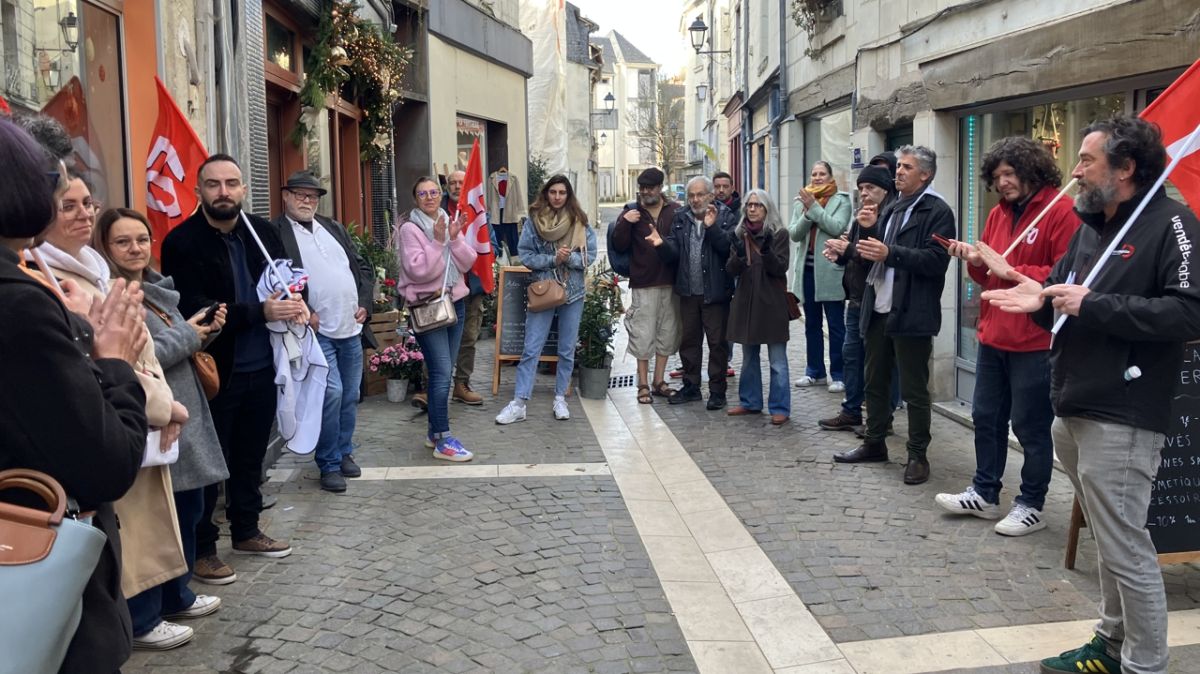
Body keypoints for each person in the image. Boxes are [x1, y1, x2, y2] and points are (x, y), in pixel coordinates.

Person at [983, 117, 1200, 674]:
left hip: (1123, 415)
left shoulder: (1172, 222)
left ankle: (1144, 665)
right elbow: (1059, 287)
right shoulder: (1090, 225)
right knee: (1111, 540)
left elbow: (1189, 311)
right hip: (1074, 404)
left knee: (1127, 549)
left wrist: (1091, 305)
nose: (1074, 170)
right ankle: (1108, 644)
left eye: (1087, 159)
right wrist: (1037, 294)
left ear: (1126, 169)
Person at [0, 118, 148, 674]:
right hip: (32, 576)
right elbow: (106, 462)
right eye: (60, 188)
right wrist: (112, 360)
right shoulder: (19, 303)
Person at [95, 207, 232, 649]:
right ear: (105, 247)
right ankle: (146, 615)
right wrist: (192, 334)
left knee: (188, 511)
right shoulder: (114, 294)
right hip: (151, 418)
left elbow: (167, 345)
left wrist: (202, 331)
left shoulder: (152, 289)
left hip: (180, 414)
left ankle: (177, 593)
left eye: (141, 239)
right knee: (158, 520)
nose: (135, 248)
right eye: (123, 241)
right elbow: (140, 351)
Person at [162, 154, 300, 584]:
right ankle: (203, 548)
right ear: (199, 190)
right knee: (209, 464)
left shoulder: (262, 233)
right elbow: (196, 309)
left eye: (232, 183)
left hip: (264, 365)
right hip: (215, 370)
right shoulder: (182, 242)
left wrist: (294, 299)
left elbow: (286, 280)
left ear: (244, 189)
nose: (224, 192)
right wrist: (260, 310)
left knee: (249, 455)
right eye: (214, 184)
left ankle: (246, 529)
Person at [934, 137, 1080, 536]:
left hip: (1034, 340)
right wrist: (976, 262)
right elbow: (988, 274)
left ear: (1032, 169)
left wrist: (1007, 266)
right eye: (997, 175)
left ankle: (1031, 503)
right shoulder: (999, 214)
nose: (1003, 182)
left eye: (1010, 173)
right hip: (994, 333)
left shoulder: (1061, 210)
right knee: (986, 417)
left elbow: (1064, 275)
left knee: (1031, 425)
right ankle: (985, 492)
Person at [833, 145, 955, 486]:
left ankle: (918, 455)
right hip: (877, 307)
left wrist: (890, 252)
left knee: (914, 389)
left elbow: (935, 261)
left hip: (912, 309)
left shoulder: (938, 210)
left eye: (906, 167)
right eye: (898, 166)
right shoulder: (891, 208)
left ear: (925, 174)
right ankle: (875, 443)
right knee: (875, 380)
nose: (898, 172)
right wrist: (850, 248)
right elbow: (872, 256)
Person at [272, 171, 374, 493]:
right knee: (331, 394)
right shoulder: (275, 232)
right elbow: (273, 278)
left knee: (351, 394)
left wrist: (366, 303)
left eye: (312, 196)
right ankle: (328, 463)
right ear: (285, 196)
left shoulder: (333, 227)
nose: (307, 201)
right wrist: (302, 308)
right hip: (315, 332)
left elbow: (363, 268)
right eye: (300, 195)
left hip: (350, 327)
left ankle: (344, 451)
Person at [495, 175, 597, 424]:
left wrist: (569, 259)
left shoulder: (579, 221)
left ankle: (560, 397)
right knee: (531, 348)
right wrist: (553, 260)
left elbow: (590, 256)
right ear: (546, 193)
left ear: (568, 195)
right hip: (543, 291)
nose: (558, 197)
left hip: (572, 292)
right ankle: (519, 402)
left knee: (566, 349)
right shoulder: (534, 220)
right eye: (553, 192)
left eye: (562, 192)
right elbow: (526, 255)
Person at [394, 176, 477, 460]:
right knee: (441, 374)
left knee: (446, 371)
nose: (429, 197)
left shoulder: (447, 219)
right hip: (428, 308)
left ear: (441, 195)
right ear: (415, 198)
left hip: (456, 303)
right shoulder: (410, 228)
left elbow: (467, 262)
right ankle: (444, 440)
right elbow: (419, 271)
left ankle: (433, 432)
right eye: (422, 193)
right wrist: (439, 242)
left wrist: (453, 239)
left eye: (434, 192)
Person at [819, 165, 896, 432]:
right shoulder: (860, 217)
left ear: (885, 191)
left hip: (876, 302)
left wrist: (849, 249)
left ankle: (880, 420)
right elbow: (855, 256)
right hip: (855, 298)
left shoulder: (889, 218)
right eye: (861, 188)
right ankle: (851, 410)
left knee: (877, 366)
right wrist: (841, 253)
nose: (864, 193)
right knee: (851, 356)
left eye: (870, 188)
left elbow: (873, 257)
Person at [651, 176, 737, 409]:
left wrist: (712, 227)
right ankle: (691, 387)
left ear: (710, 195)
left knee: (717, 344)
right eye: (691, 195)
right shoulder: (681, 217)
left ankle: (717, 391)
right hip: (688, 292)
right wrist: (661, 245)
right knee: (689, 342)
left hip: (716, 293)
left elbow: (728, 249)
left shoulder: (725, 216)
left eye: (700, 194)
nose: (695, 199)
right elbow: (674, 252)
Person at [611, 167, 680, 404]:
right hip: (643, 283)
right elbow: (619, 245)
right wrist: (624, 222)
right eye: (641, 188)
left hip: (671, 282)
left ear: (660, 188)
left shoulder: (675, 211)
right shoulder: (632, 212)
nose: (645, 192)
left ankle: (659, 381)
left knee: (667, 333)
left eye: (649, 188)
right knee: (642, 334)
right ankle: (642, 383)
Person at [726, 189, 791, 424]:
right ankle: (750, 402)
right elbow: (731, 269)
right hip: (746, 302)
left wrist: (766, 252)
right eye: (749, 205)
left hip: (772, 303)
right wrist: (740, 256)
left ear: (767, 208)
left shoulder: (780, 234)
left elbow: (779, 268)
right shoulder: (739, 234)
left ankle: (780, 406)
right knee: (749, 358)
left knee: (777, 360)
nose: (752, 209)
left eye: (758, 205)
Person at [789, 160, 851, 391]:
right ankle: (814, 371)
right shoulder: (801, 201)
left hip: (831, 271)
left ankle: (839, 374)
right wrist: (808, 214)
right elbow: (794, 234)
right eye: (814, 174)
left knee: (836, 325)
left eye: (822, 174)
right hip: (807, 271)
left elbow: (836, 227)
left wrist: (814, 208)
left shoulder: (841, 200)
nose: (817, 178)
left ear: (830, 176)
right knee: (811, 324)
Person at [441, 170, 489, 406]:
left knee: (468, 338)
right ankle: (432, 387)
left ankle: (461, 384)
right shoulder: (437, 211)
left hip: (472, 285)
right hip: (443, 287)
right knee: (437, 334)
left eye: (461, 182)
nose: (457, 186)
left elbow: (490, 244)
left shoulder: (478, 210)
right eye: (452, 182)